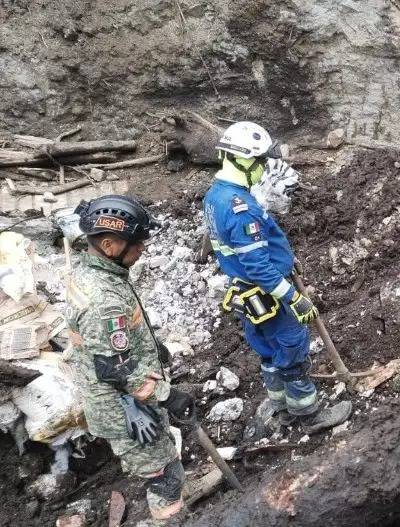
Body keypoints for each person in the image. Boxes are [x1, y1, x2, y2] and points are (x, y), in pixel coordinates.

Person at [203, 121, 350, 431]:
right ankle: (307, 414)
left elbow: (250, 251)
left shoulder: (216, 196)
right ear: (243, 160)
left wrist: (286, 256)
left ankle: (280, 405)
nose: (264, 167)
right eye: (260, 161)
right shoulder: (240, 207)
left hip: (245, 292)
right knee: (292, 346)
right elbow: (258, 265)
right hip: (269, 292)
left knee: (267, 349)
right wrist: (293, 298)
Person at [65, 195, 192, 519]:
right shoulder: (103, 299)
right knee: (164, 475)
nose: (143, 249)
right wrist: (168, 395)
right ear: (110, 245)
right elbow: (117, 369)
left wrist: (151, 344)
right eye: (137, 244)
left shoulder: (96, 272)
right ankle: (172, 518)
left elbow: (113, 339)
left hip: (118, 398)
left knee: (162, 463)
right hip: (124, 408)